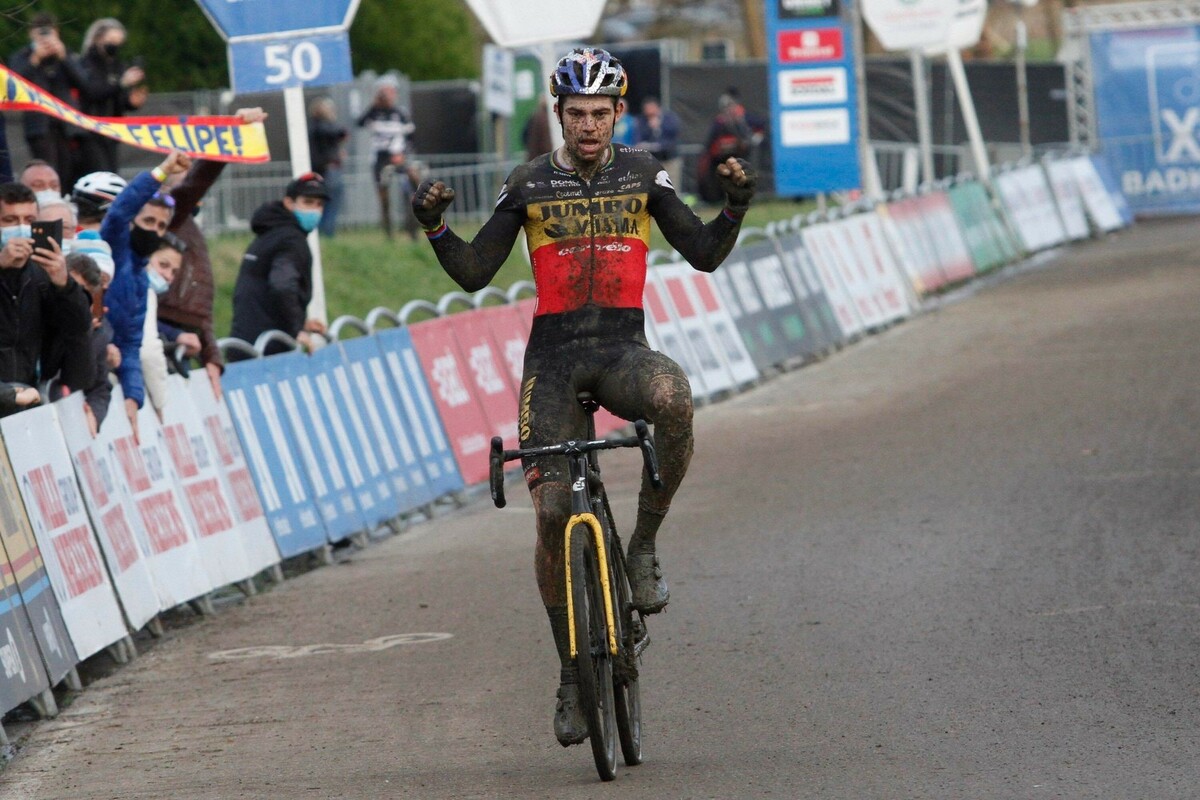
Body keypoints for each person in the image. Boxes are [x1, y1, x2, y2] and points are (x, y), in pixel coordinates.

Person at [411, 47, 756, 748]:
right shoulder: (529, 181)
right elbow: (477, 271)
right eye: (577, 115)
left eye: (601, 113)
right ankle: (572, 674)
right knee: (552, 513)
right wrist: (436, 227)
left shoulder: (643, 173)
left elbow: (703, 252)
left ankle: (642, 547)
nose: (589, 125)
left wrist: (736, 206)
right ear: (558, 114)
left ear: (619, 113)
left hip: (622, 351)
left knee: (675, 398)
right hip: (556, 362)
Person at [159, 107, 267, 398]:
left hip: (187, 340)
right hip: (166, 337)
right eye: (183, 170)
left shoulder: (188, 227)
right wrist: (229, 134)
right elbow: (197, 182)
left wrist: (212, 356)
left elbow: (200, 302)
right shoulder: (170, 215)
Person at [101, 150, 191, 443]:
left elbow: (131, 344)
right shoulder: (115, 249)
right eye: (149, 220)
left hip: (109, 374)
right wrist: (162, 172)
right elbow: (119, 211)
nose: (154, 229)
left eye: (161, 226)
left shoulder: (141, 280)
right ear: (133, 221)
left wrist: (133, 396)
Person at [0, 182, 91, 415]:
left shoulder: (42, 274)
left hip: (28, 397)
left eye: (29, 220)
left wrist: (64, 284)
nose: (20, 228)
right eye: (10, 220)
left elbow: (78, 327)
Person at [228, 173, 330, 358]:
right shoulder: (291, 240)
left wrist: (302, 322)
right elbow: (282, 285)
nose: (315, 211)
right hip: (268, 350)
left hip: (244, 342)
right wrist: (296, 329)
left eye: (319, 205)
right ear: (289, 203)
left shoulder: (269, 233)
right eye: (308, 202)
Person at [7, 13, 88, 189]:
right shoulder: (22, 57)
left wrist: (63, 57)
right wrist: (34, 60)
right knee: (47, 169)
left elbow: (84, 83)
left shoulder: (66, 55)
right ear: (31, 34)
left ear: (56, 33)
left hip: (67, 125)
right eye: (40, 33)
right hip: (39, 125)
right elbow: (13, 85)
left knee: (69, 171)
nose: (45, 38)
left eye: (48, 33)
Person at [76, 18, 146, 175]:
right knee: (99, 173)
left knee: (112, 173)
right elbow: (92, 92)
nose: (114, 46)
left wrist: (131, 102)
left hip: (112, 131)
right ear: (98, 39)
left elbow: (118, 99)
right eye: (111, 41)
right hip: (90, 131)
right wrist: (121, 84)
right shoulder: (84, 65)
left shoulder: (117, 66)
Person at [357, 75, 419, 240]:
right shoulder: (374, 112)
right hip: (380, 158)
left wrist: (403, 155)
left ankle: (412, 229)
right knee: (384, 196)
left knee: (412, 189)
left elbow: (411, 138)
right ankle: (388, 233)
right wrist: (373, 105)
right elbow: (359, 123)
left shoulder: (401, 113)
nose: (387, 95)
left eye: (390, 92)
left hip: (399, 156)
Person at [141, 233, 186, 415]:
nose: (168, 276)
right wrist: (161, 403)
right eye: (163, 265)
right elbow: (148, 350)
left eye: (174, 272)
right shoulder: (144, 292)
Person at [308, 97, 347, 238]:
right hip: (328, 169)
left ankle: (322, 233)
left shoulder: (313, 127)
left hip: (321, 169)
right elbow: (340, 133)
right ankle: (327, 233)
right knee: (330, 203)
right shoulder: (322, 126)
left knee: (322, 203)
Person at [634, 96, 683, 193]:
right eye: (647, 110)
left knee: (673, 187)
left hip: (670, 159)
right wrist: (650, 128)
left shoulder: (669, 118)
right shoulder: (642, 121)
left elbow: (674, 134)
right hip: (653, 161)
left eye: (651, 109)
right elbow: (639, 138)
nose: (649, 113)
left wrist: (659, 126)